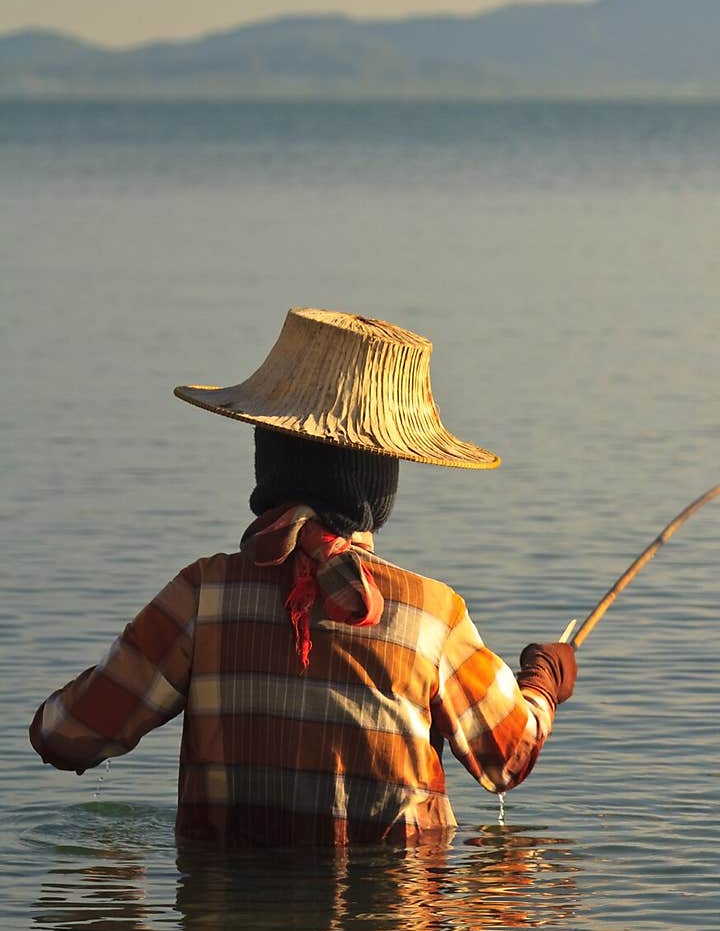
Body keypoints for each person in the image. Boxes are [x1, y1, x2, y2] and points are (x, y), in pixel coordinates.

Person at [29, 309, 576, 846]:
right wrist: (545, 682)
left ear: (268, 461)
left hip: (227, 920)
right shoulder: (432, 617)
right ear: (379, 485)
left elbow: (66, 737)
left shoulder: (202, 595)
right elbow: (507, 759)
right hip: (396, 927)